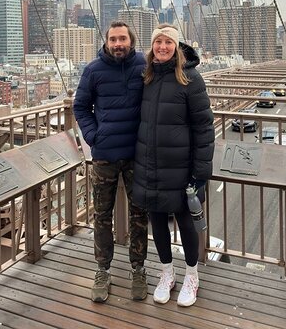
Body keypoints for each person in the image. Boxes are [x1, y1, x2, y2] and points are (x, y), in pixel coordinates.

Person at [132, 23, 215, 307]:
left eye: (168, 42)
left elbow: (204, 128)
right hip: (150, 165)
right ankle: (167, 272)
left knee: (186, 224)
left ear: (177, 47)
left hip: (181, 167)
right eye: (158, 42)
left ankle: (192, 276)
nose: (163, 47)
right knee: (157, 222)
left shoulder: (191, 78)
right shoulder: (147, 76)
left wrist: (200, 172)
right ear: (152, 46)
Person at [73, 21, 149, 303]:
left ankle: (138, 269)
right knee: (102, 215)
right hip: (104, 156)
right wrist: (93, 136)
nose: (118, 44)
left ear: (131, 41)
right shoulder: (93, 70)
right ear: (106, 42)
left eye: (122, 39)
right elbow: (80, 106)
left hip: (136, 155)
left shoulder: (144, 64)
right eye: (113, 39)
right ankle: (102, 270)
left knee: (139, 214)